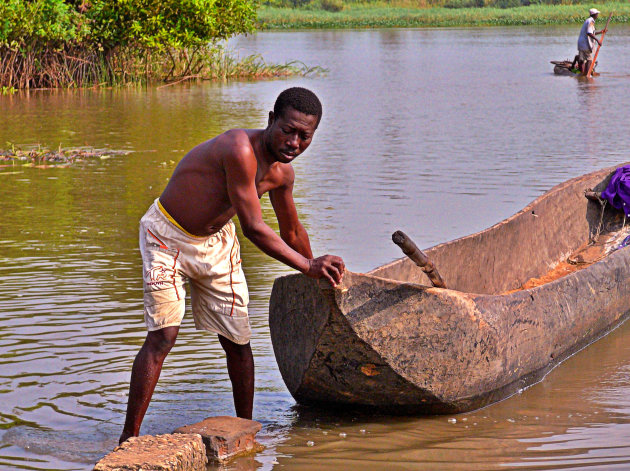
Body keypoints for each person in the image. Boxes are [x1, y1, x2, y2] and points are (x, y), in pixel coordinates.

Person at [119, 87, 345, 444]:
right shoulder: (239, 149)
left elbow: (291, 229)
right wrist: (307, 265)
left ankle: (244, 432)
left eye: (306, 136)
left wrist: (315, 272)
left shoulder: (283, 175)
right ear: (271, 121)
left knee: (238, 341)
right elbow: (254, 228)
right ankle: (127, 439)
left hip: (215, 243)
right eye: (288, 129)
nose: (294, 142)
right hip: (167, 237)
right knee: (163, 336)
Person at [570, 8, 607, 75]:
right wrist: (597, 40)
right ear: (594, 15)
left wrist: (601, 32)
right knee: (589, 60)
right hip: (586, 44)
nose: (597, 15)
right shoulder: (591, 21)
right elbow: (589, 33)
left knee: (581, 60)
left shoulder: (587, 20)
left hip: (581, 44)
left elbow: (591, 33)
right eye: (597, 14)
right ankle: (587, 76)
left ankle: (582, 76)